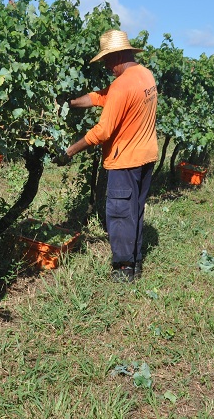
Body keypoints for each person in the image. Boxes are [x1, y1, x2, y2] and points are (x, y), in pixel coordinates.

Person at [61, 29, 158, 282]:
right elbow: (100, 97)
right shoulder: (144, 76)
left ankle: (124, 269)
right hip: (146, 157)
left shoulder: (122, 85)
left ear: (117, 56)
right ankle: (135, 263)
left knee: (120, 214)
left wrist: (69, 151)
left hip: (124, 161)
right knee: (134, 211)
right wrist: (70, 103)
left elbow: (102, 132)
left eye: (106, 60)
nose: (105, 65)